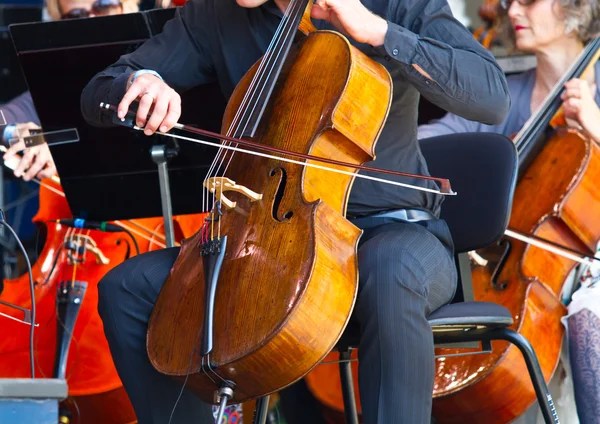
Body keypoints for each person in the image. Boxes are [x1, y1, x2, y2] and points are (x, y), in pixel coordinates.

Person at [80, 0, 510, 422]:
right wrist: (141, 82)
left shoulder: (393, 3)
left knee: (388, 267)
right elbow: (99, 91)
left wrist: (378, 31)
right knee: (128, 288)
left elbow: (491, 97)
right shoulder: (216, 12)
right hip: (271, 239)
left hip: (399, 234)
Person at [418, 0, 600, 421]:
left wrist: (594, 124)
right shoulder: (507, 91)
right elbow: (432, 143)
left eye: (528, 0)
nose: (512, 9)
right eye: (509, 1)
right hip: (526, 267)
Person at [0, 0, 138, 182]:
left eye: (104, 5)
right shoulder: (59, 85)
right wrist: (24, 135)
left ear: (126, 6)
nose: (91, 19)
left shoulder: (162, 62)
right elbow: (3, 119)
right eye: (76, 15)